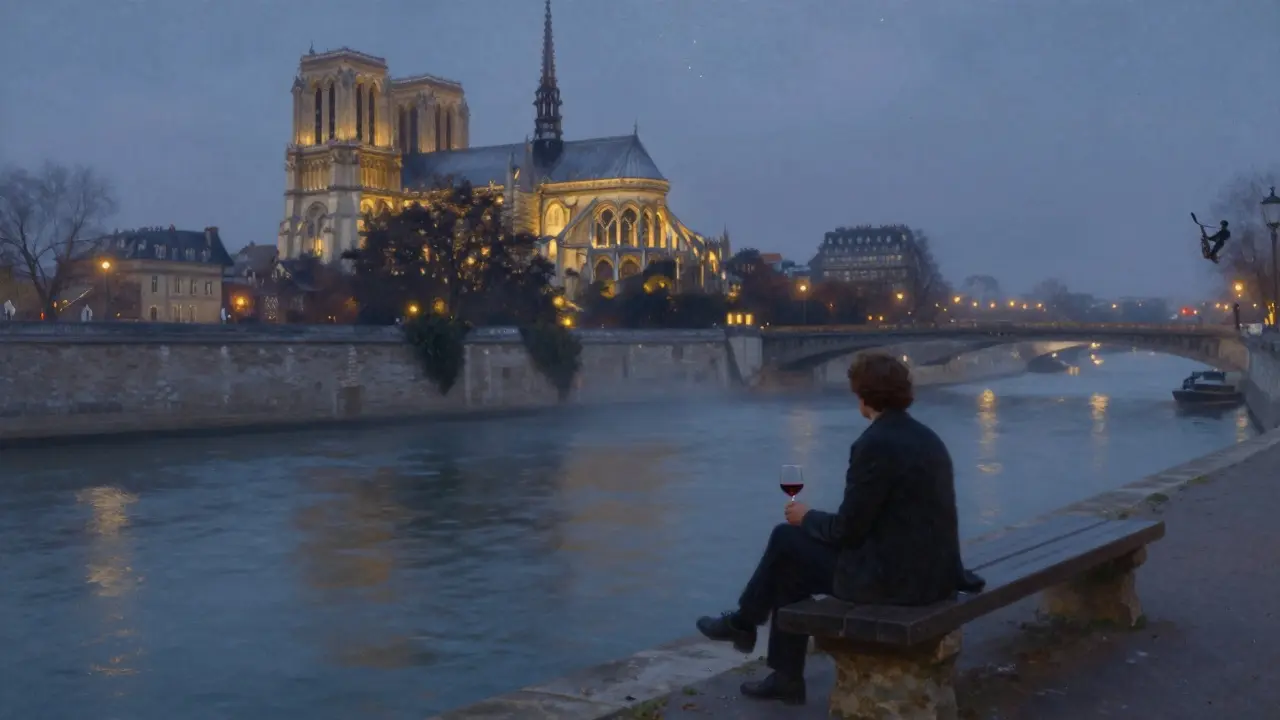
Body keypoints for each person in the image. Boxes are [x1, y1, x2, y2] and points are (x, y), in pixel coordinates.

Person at [695, 352, 980, 705]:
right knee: (790, 558)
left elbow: (848, 531)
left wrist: (806, 517)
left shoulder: (874, 444)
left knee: (786, 539)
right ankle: (775, 665)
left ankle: (746, 627)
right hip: (932, 573)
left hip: (898, 585)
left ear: (862, 395)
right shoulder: (927, 438)